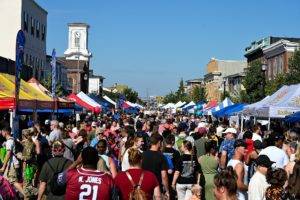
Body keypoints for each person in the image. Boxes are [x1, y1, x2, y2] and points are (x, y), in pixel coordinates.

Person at [142, 133, 170, 198]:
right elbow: (164, 176)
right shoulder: (161, 157)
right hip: (156, 187)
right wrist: (167, 190)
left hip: (144, 186)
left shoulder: (143, 154)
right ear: (159, 142)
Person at [0, 126, 24, 196]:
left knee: (13, 181)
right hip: (13, 164)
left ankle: (26, 196)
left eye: (2, 131)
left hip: (12, 164)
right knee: (6, 180)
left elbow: (8, 154)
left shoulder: (9, 141)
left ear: (6, 132)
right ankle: (12, 195)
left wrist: (3, 166)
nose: (1, 133)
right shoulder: (11, 140)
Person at [163, 134, 180, 200]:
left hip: (163, 177)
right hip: (173, 178)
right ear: (173, 141)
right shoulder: (176, 152)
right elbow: (177, 167)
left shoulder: (161, 152)